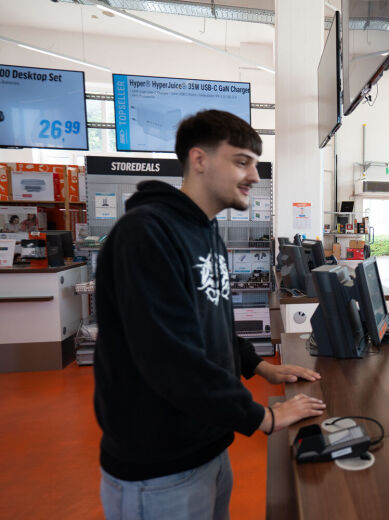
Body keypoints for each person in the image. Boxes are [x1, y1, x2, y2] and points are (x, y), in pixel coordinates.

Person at [93, 109, 326, 520]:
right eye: (241, 161)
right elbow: (169, 356)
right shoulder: (146, 233)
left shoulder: (205, 230)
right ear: (199, 160)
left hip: (208, 448)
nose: (254, 176)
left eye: (254, 163)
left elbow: (208, 323)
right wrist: (262, 417)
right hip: (159, 467)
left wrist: (258, 366)